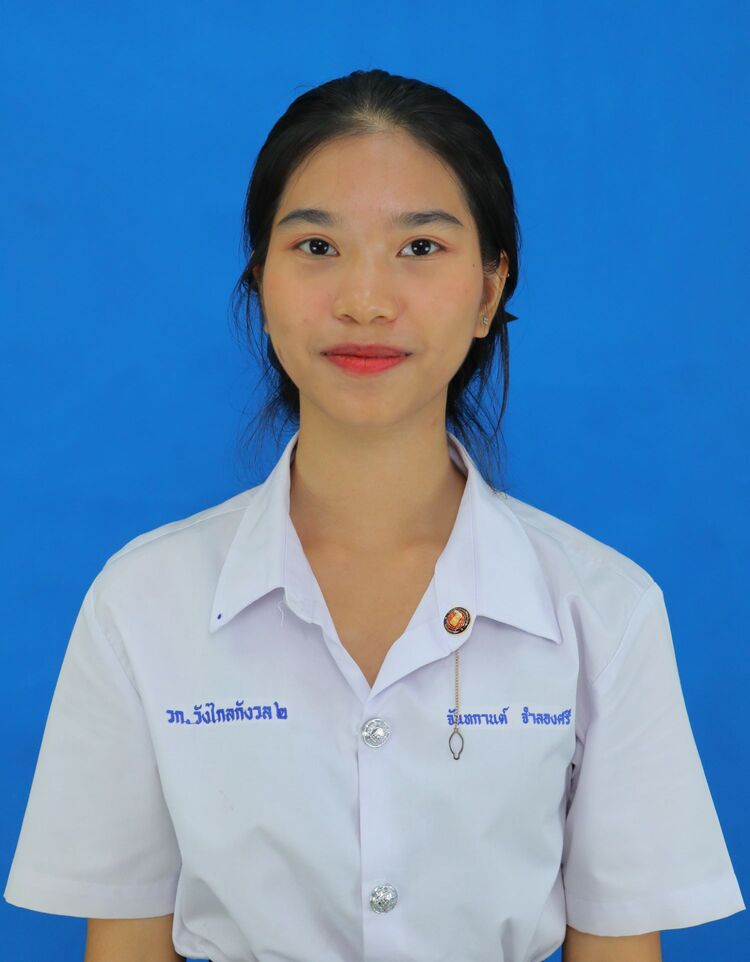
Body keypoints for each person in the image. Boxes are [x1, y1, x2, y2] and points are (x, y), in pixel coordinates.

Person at [4, 68, 745, 962]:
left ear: (489, 290)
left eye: (420, 247)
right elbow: (123, 944)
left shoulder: (606, 612)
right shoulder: (141, 603)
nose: (365, 300)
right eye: (317, 246)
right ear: (261, 283)